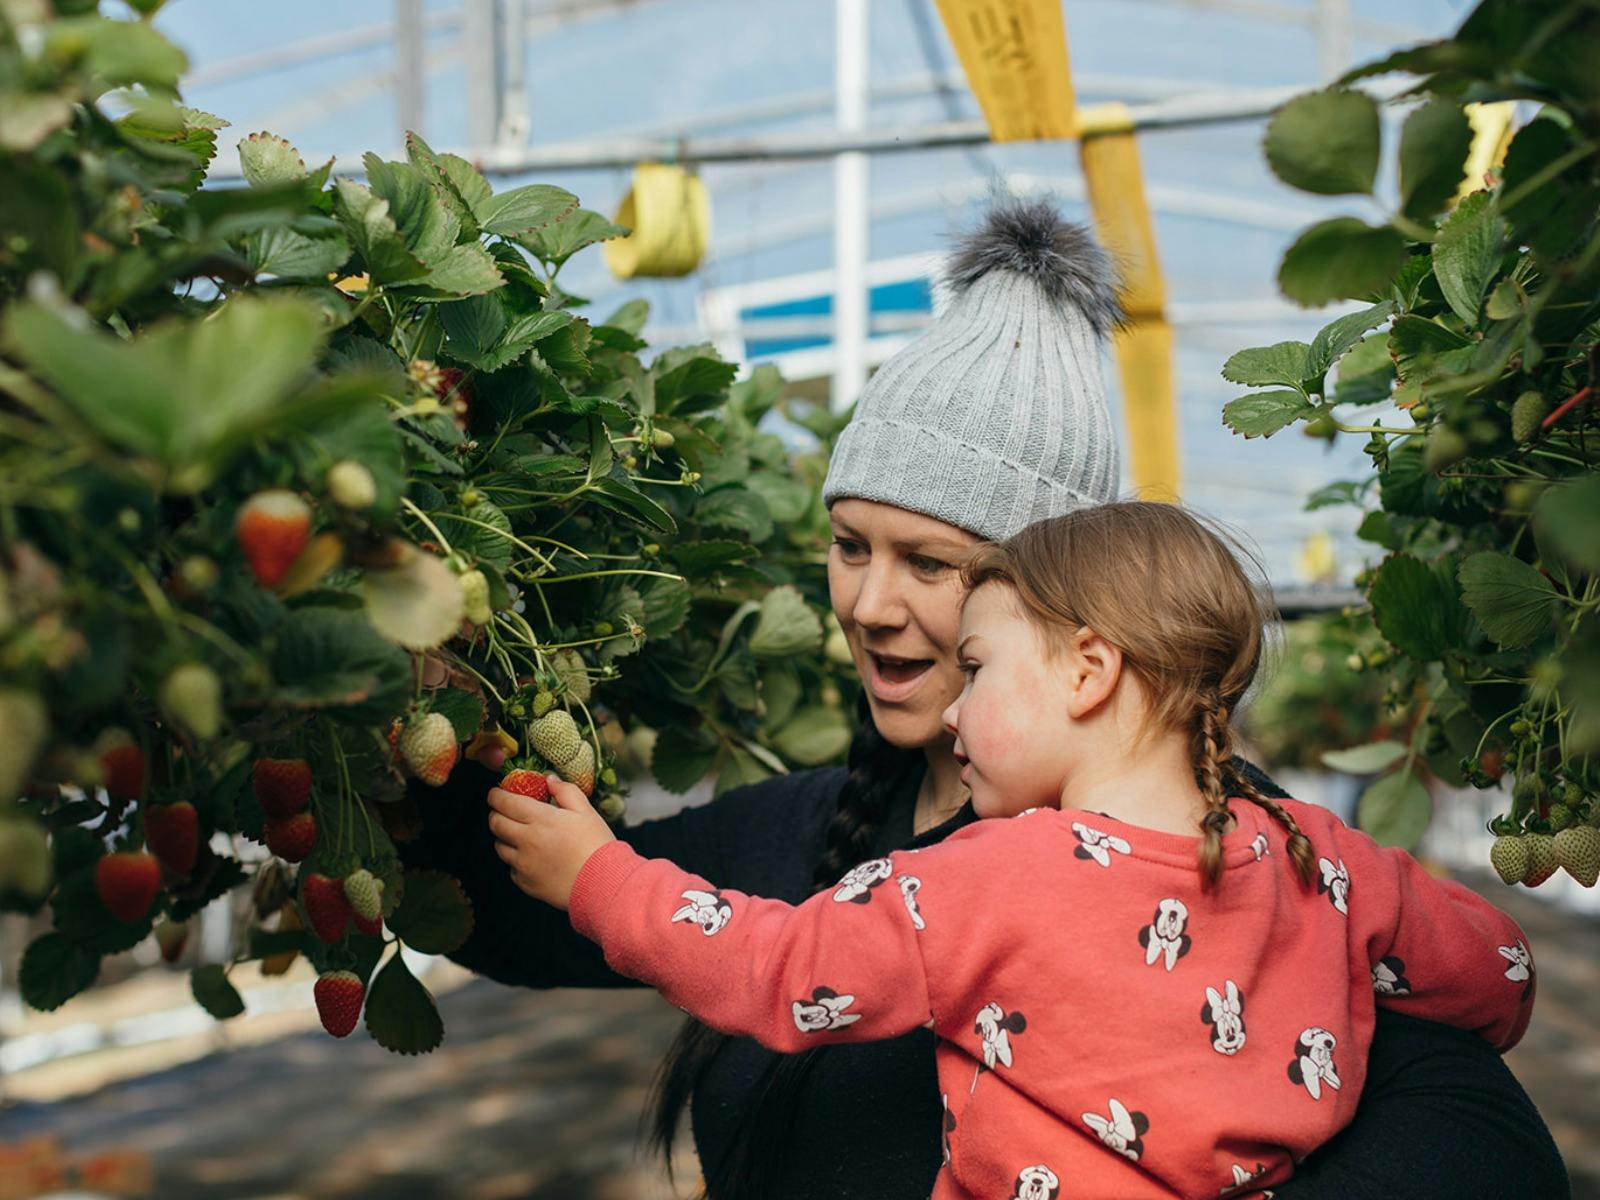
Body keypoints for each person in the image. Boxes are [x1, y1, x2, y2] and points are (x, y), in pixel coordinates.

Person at [399, 197, 1569, 1199]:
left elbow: (1487, 1158)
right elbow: (513, 909)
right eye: (850, 545)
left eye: (931, 564)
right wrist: (389, 693)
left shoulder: (1253, 878)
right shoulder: (804, 832)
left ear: (1073, 635)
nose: (866, 602)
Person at [487, 501, 1538, 1198]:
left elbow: (778, 969)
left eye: (979, 670)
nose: (957, 710)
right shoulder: (1317, 854)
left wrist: (596, 877)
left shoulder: (990, 876)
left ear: (1087, 671)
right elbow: (1496, 970)